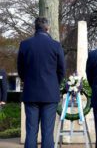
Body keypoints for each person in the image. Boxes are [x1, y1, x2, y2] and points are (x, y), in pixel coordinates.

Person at [17, 17, 65, 148]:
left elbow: (20, 69)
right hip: (49, 94)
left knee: (31, 132)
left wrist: (27, 81)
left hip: (31, 93)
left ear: (35, 28)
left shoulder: (25, 44)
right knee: (48, 133)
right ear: (47, 28)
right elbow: (61, 70)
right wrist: (55, 84)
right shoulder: (56, 45)